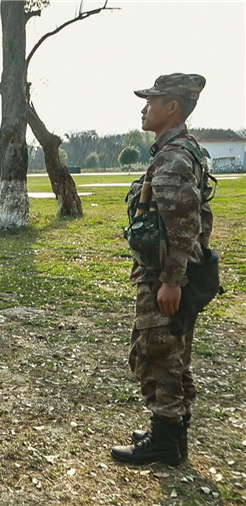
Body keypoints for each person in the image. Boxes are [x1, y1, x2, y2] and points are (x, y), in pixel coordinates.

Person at [111, 73, 214, 466]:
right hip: (173, 273)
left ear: (172, 107)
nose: (144, 108)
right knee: (174, 352)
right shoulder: (181, 150)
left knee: (158, 353)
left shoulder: (173, 156)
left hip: (166, 277)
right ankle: (172, 433)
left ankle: (165, 442)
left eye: (152, 101)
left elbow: (181, 222)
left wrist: (171, 281)